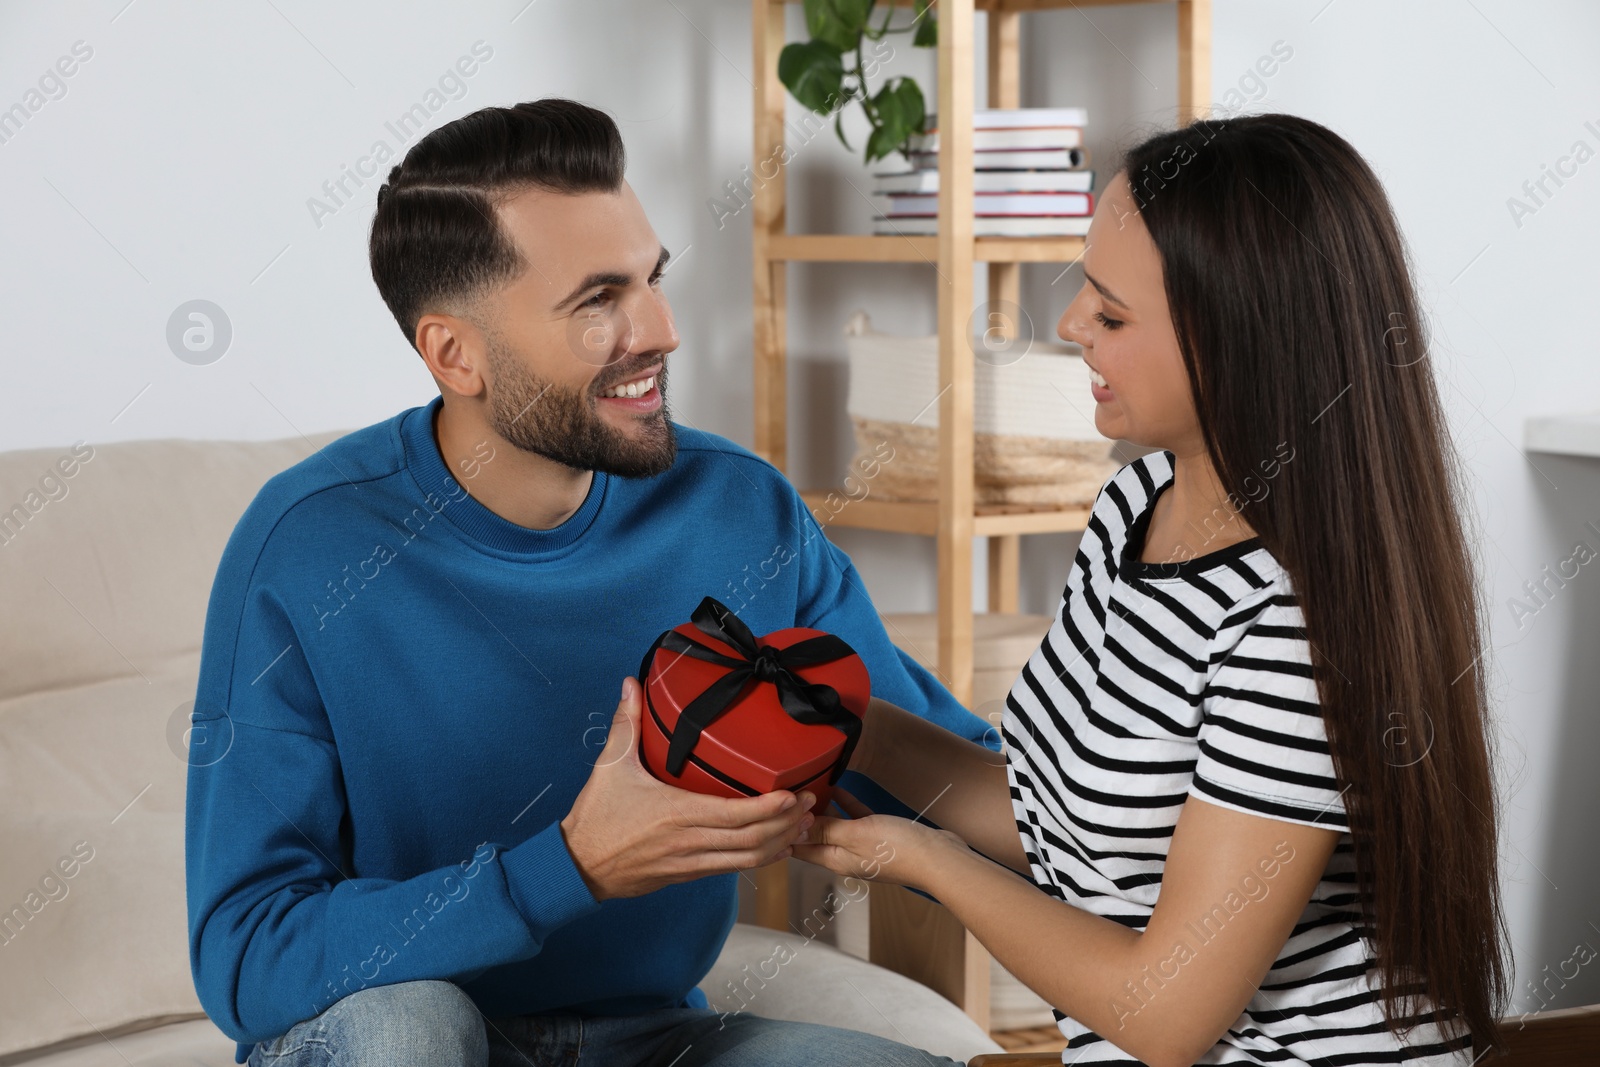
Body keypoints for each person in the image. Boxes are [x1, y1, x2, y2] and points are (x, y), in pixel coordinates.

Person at [184, 98, 990, 1067]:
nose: (660, 329)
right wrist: (567, 868)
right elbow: (246, 958)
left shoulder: (737, 510)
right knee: (412, 1030)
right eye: (597, 300)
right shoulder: (309, 545)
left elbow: (942, 779)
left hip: (654, 1038)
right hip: (398, 1030)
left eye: (652, 279)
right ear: (455, 352)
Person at [798, 113, 1508, 1067]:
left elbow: (1166, 1014)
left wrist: (920, 860)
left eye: (1111, 312)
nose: (1067, 325)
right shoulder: (1138, 501)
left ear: (1236, 338)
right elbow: (1065, 824)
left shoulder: (1290, 621)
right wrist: (848, 727)